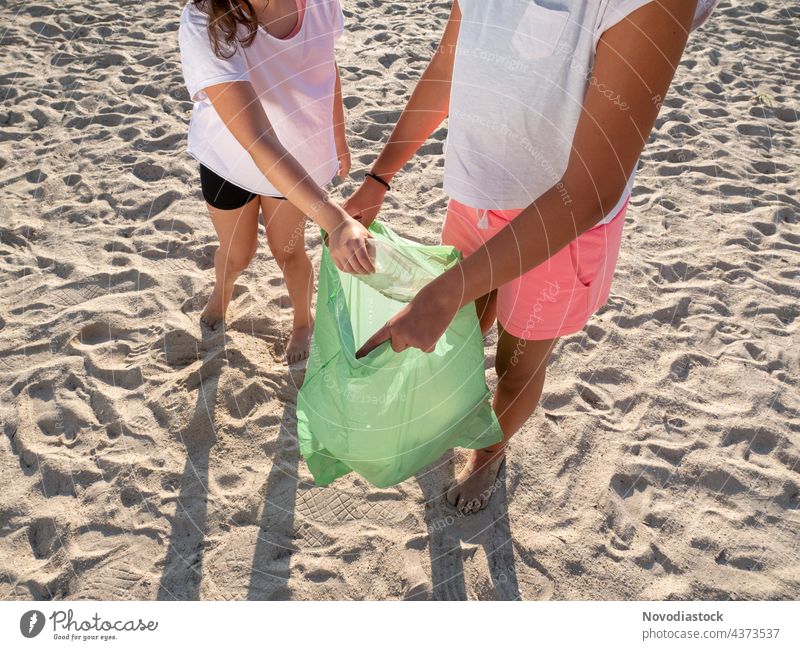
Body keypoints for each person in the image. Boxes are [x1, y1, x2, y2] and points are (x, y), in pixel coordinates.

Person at [345, 0, 719, 513]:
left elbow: (591, 189)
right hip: (472, 197)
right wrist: (379, 177)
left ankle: (490, 453)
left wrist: (447, 289)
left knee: (516, 362)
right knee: (457, 341)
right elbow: (452, 59)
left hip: (561, 228)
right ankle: (458, 421)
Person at [178, 0, 373, 364]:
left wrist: (338, 136)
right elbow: (255, 138)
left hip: (295, 165)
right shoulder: (206, 18)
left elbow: (325, 67)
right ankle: (222, 292)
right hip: (228, 160)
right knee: (237, 252)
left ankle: (303, 320)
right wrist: (336, 221)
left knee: (288, 251)